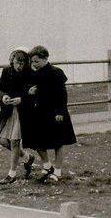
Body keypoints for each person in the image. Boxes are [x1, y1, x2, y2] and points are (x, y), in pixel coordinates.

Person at [25, 45, 77, 183]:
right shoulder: (35, 74)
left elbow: (62, 94)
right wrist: (31, 91)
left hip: (55, 112)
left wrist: (60, 111)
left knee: (58, 142)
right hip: (39, 112)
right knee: (37, 141)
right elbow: (35, 90)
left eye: (36, 61)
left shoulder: (56, 72)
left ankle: (58, 171)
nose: (34, 64)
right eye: (32, 61)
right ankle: (47, 166)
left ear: (45, 58)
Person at [0, 48, 35, 184]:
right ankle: (27, 158)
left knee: (15, 141)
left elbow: (33, 93)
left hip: (24, 112)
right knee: (4, 141)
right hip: (8, 111)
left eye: (22, 63)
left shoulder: (30, 74)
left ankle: (12, 174)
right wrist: (4, 96)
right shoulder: (6, 72)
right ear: (12, 61)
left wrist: (21, 99)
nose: (20, 66)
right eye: (17, 62)